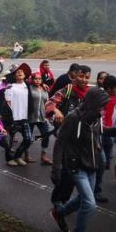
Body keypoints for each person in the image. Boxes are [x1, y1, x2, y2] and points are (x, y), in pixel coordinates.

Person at [50, 87, 112, 232]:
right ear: (92, 103)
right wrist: (56, 168)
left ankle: (60, 213)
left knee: (83, 199)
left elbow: (99, 134)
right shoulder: (73, 118)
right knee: (90, 204)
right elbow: (60, 142)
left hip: (92, 166)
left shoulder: (97, 117)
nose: (103, 109)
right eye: (101, 106)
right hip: (76, 166)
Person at [46, 65, 91, 209]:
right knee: (65, 173)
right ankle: (57, 202)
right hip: (66, 139)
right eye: (81, 76)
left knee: (75, 175)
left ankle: (64, 201)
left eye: (87, 77)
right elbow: (49, 103)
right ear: (74, 76)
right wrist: (56, 110)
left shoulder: (91, 93)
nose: (83, 80)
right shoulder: (67, 90)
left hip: (83, 141)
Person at [94, 75, 116, 204]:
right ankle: (95, 190)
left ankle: (101, 165)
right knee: (101, 161)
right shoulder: (101, 98)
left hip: (107, 131)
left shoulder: (114, 97)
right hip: (98, 131)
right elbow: (97, 117)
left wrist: (115, 127)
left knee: (109, 146)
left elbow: (112, 113)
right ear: (109, 88)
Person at [28, 72, 52, 165]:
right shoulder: (28, 89)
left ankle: (43, 156)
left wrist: (48, 115)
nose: (37, 81)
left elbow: (47, 103)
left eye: (39, 79)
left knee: (46, 135)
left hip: (42, 117)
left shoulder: (45, 89)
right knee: (28, 138)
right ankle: (27, 155)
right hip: (30, 117)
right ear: (32, 79)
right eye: (35, 79)